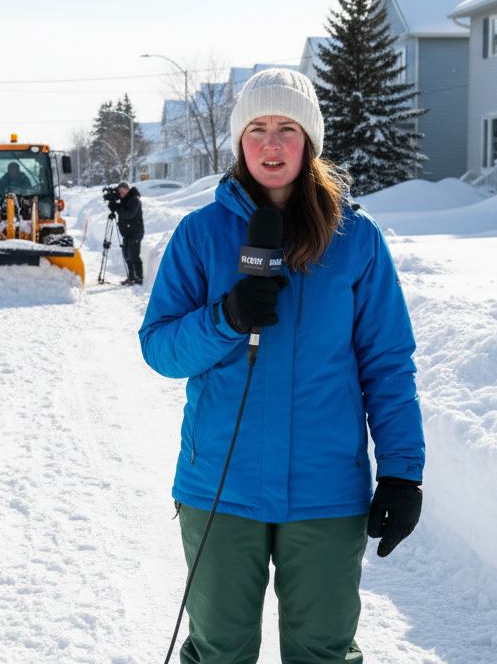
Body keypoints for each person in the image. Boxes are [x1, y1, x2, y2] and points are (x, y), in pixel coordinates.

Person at [138, 69, 424, 664]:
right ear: (240, 142)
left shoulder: (356, 239)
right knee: (220, 652)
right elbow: (160, 347)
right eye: (258, 129)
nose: (272, 144)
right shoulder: (200, 235)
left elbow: (387, 363)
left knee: (323, 653)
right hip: (220, 485)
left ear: (309, 141)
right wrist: (225, 317)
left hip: (327, 491)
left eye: (287, 129)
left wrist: (401, 471)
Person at [110, 181, 144, 285]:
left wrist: (118, 209)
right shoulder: (123, 199)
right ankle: (131, 277)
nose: (121, 194)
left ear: (128, 190)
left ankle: (138, 278)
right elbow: (120, 209)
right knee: (127, 255)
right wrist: (113, 204)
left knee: (134, 255)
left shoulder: (134, 199)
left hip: (135, 232)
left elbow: (129, 214)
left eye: (123, 192)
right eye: (120, 192)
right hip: (127, 233)